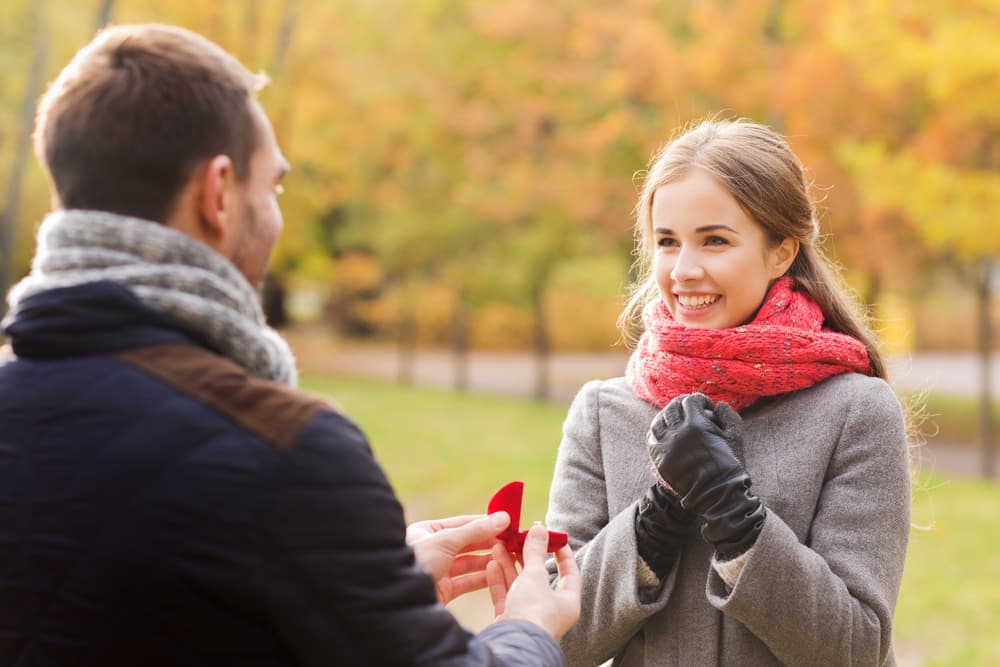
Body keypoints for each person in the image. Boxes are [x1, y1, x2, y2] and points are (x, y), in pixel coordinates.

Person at [0, 23, 580, 666]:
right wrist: (528, 628)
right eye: (271, 187)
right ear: (218, 193)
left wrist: (372, 589)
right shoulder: (283, 451)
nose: (275, 212)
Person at [545, 118, 910, 666]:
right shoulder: (602, 413)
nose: (684, 270)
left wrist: (740, 521)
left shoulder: (856, 412)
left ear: (781, 252)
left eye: (715, 240)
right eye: (667, 242)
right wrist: (653, 524)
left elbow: (855, 651)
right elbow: (553, 639)